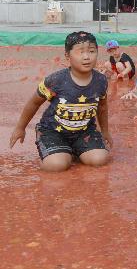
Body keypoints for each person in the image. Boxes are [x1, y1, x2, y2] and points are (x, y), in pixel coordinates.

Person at [9, 31, 111, 172]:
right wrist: (20, 128)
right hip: (53, 131)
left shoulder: (101, 81)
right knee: (56, 165)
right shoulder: (55, 81)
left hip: (84, 131)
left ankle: (73, 149)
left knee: (100, 159)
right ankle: (56, 151)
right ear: (67, 56)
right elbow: (34, 103)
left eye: (92, 51)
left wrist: (105, 132)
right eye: (80, 52)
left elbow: (102, 107)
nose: (87, 57)